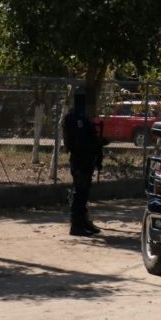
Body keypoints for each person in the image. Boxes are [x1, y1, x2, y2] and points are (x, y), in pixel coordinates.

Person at [63, 87, 104, 236]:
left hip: (81, 159)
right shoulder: (78, 118)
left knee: (83, 192)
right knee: (80, 192)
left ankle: (83, 222)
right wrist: (97, 144)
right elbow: (82, 141)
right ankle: (77, 225)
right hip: (81, 159)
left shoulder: (75, 117)